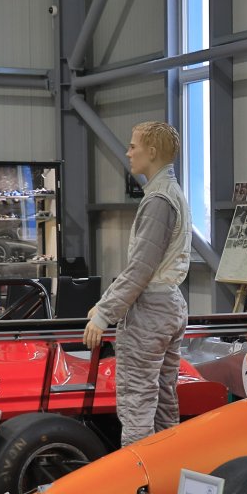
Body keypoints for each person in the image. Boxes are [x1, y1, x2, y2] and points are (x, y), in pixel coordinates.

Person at [84, 121, 191, 446]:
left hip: (150, 311)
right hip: (169, 305)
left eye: (133, 146)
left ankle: (140, 476)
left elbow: (141, 268)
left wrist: (105, 313)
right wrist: (105, 304)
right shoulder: (171, 193)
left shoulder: (158, 200)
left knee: (137, 404)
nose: (128, 153)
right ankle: (166, 467)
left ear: (152, 152)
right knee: (163, 401)